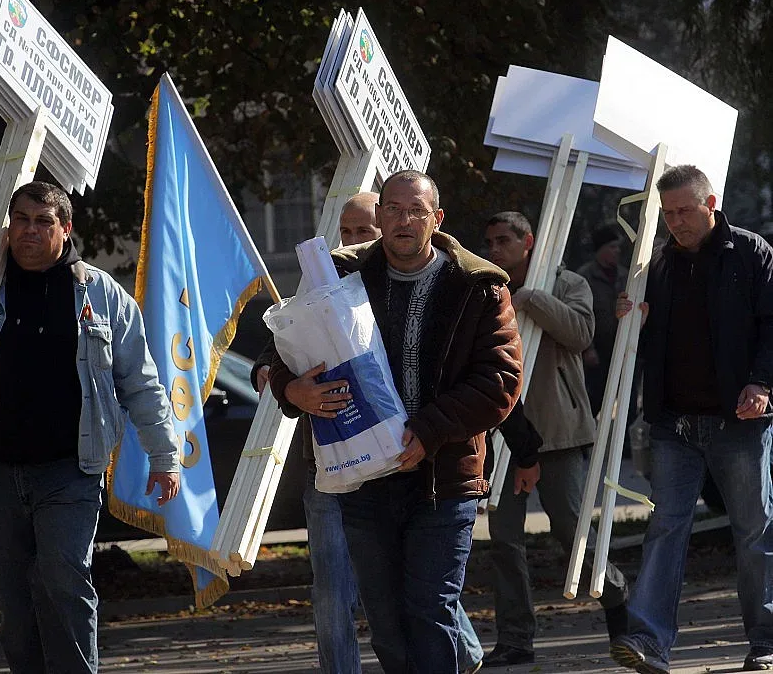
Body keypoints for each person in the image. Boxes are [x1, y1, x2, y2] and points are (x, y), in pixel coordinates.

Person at [265, 171, 541, 674]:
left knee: (430, 609)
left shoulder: (478, 285)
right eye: (393, 209)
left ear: (436, 220)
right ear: (380, 217)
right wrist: (292, 389)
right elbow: (281, 347)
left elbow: (501, 380)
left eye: (416, 211)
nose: (403, 221)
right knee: (386, 619)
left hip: (443, 477)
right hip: (363, 477)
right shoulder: (340, 275)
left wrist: (430, 430)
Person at [0, 181, 180, 674]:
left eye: (43, 221)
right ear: (7, 226)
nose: (30, 231)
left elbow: (141, 382)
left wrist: (164, 456)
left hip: (70, 468)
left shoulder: (101, 294)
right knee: (13, 599)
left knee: (65, 577)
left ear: (65, 228)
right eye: (21, 220)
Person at [611, 164, 773, 674]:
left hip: (740, 422)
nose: (675, 222)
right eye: (667, 214)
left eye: (684, 211)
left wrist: (763, 383)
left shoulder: (752, 253)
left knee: (754, 530)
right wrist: (629, 315)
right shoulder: (656, 264)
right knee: (666, 528)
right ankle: (648, 642)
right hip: (674, 423)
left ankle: (766, 641)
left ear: (711, 204)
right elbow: (645, 339)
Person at [481, 212, 629, 667]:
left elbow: (581, 333)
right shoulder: (484, 285)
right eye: (489, 241)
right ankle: (516, 637)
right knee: (504, 539)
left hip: (558, 431)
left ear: (528, 243)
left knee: (573, 532)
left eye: (503, 240)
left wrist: (530, 300)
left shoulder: (568, 283)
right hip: (504, 434)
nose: (494, 249)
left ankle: (619, 604)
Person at [577, 223, 627, 416]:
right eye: (612, 246)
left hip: (620, 350)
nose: (617, 251)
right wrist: (587, 348)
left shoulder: (625, 275)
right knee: (591, 403)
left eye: (618, 247)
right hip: (595, 352)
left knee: (624, 410)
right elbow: (579, 314)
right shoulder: (584, 277)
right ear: (601, 249)